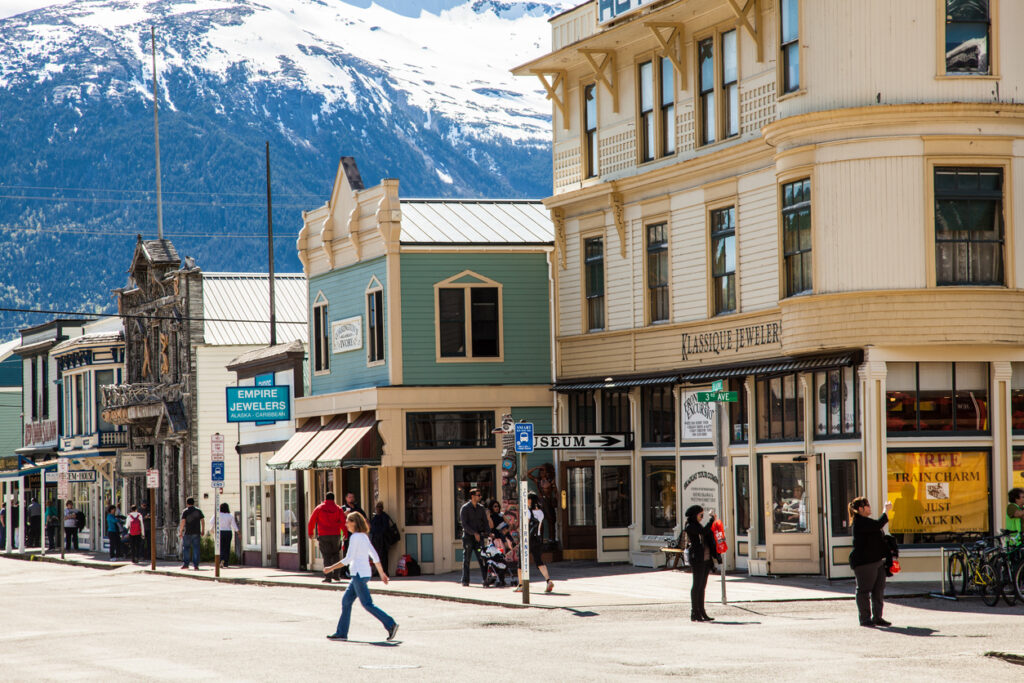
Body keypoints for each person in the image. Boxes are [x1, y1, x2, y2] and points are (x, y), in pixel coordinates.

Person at [324, 511, 399, 642]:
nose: (346, 524)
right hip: (362, 574)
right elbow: (374, 556)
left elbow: (348, 559)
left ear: (355, 523)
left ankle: (390, 624)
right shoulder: (364, 536)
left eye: (348, 521)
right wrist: (382, 574)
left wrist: (330, 568)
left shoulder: (355, 537)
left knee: (367, 603)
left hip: (358, 574)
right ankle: (341, 632)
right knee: (346, 601)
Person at [849, 497, 893, 627]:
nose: (870, 507)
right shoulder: (859, 522)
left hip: (877, 560)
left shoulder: (866, 521)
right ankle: (865, 618)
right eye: (867, 505)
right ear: (860, 509)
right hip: (864, 562)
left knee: (878, 589)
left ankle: (877, 617)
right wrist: (886, 511)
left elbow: (877, 532)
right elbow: (878, 524)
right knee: (863, 590)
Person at [683, 504, 720, 622]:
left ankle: (702, 611)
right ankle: (695, 612)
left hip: (705, 558)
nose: (702, 517)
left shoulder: (697, 525)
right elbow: (703, 532)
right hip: (697, 559)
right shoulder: (690, 526)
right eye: (701, 514)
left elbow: (706, 533)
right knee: (697, 585)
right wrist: (711, 520)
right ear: (695, 515)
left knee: (702, 586)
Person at [514, 493, 554, 594]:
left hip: (528, 539)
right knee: (538, 560)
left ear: (530, 500)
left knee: (521, 562)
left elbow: (525, 526)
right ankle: (548, 580)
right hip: (537, 539)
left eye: (527, 499)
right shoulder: (541, 512)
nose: (526, 501)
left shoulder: (528, 511)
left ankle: (521, 585)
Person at [308, 492, 346, 583]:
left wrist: (310, 532)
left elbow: (312, 521)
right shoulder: (338, 509)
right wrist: (344, 534)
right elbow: (343, 522)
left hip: (323, 535)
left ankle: (328, 577)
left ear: (325, 498)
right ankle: (336, 575)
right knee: (336, 554)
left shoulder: (320, 508)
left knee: (326, 556)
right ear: (334, 499)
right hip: (336, 535)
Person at [459, 488, 488, 587]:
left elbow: (485, 522)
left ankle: (486, 579)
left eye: (480, 495)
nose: (480, 497)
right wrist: (474, 533)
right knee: (467, 559)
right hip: (468, 537)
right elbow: (464, 524)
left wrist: (488, 533)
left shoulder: (481, 508)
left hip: (479, 537)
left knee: (482, 558)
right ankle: (465, 580)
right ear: (472, 496)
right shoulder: (465, 508)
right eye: (478, 495)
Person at [177, 497, 205, 570]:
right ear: (193, 503)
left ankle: (186, 564)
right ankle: (196, 565)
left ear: (187, 503)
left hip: (187, 532)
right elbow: (202, 520)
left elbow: (183, 522)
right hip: (196, 532)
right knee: (196, 548)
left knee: (186, 548)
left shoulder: (185, 511)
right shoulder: (198, 511)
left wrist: (180, 532)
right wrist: (203, 530)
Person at [368, 502, 396, 576]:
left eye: (380, 507)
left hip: (383, 539)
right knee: (376, 556)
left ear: (382, 508)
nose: (379, 508)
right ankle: (378, 571)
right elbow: (371, 527)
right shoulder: (375, 517)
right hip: (375, 539)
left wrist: (378, 532)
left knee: (383, 556)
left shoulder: (385, 516)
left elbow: (385, 528)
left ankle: (384, 571)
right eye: (377, 507)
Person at [218, 502, 239, 568]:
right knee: (227, 547)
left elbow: (211, 522)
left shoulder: (218, 515)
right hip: (228, 532)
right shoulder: (230, 515)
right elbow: (234, 526)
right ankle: (226, 562)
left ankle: (220, 560)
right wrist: (239, 533)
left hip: (220, 532)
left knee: (220, 547)